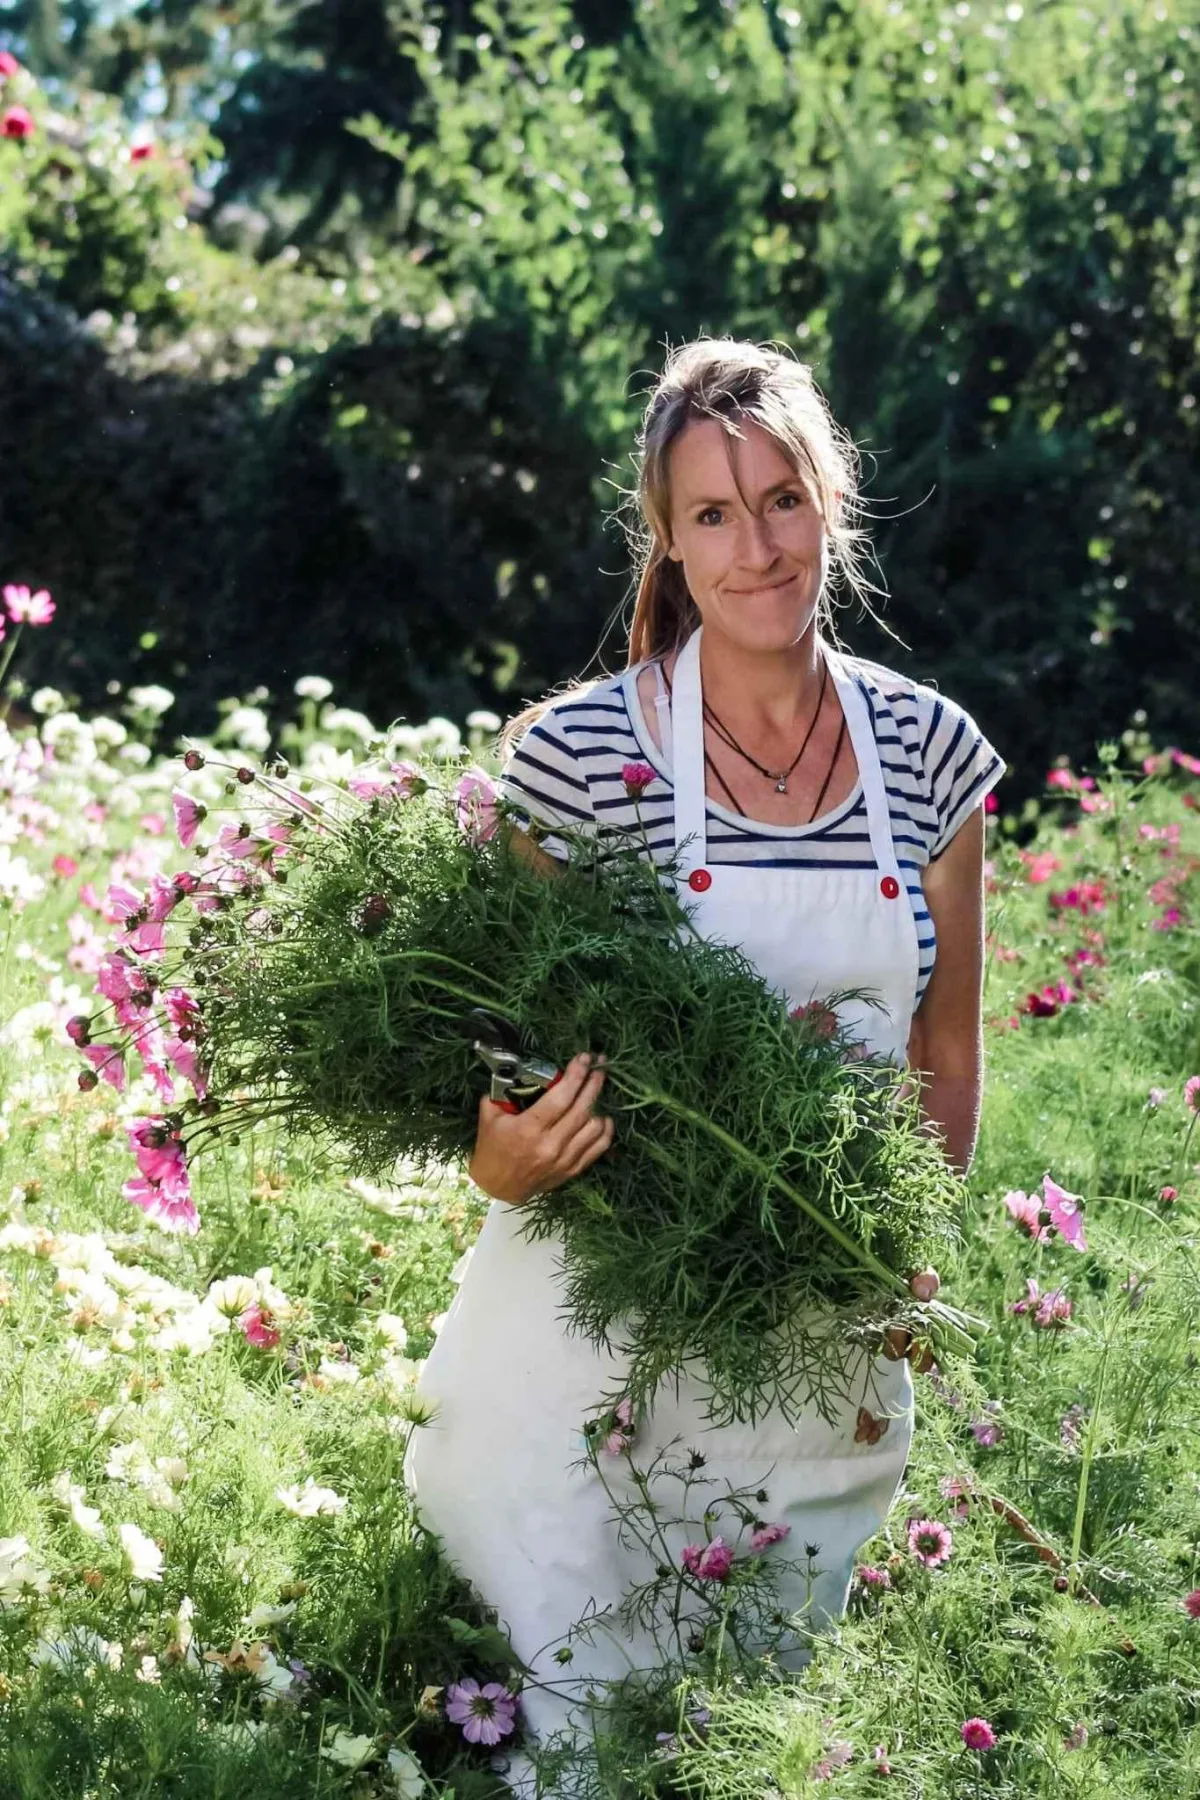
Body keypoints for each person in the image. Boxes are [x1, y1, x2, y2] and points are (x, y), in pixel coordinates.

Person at [403, 338, 1005, 1776]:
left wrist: (903, 1250)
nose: (758, 546)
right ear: (667, 542)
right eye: (716, 515)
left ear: (835, 504)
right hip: (591, 1332)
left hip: (811, 1332)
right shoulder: (579, 756)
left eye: (783, 499)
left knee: (764, 1741)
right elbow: (494, 1046)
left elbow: (947, 1050)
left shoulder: (929, 754)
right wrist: (494, 1152)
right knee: (576, 1742)